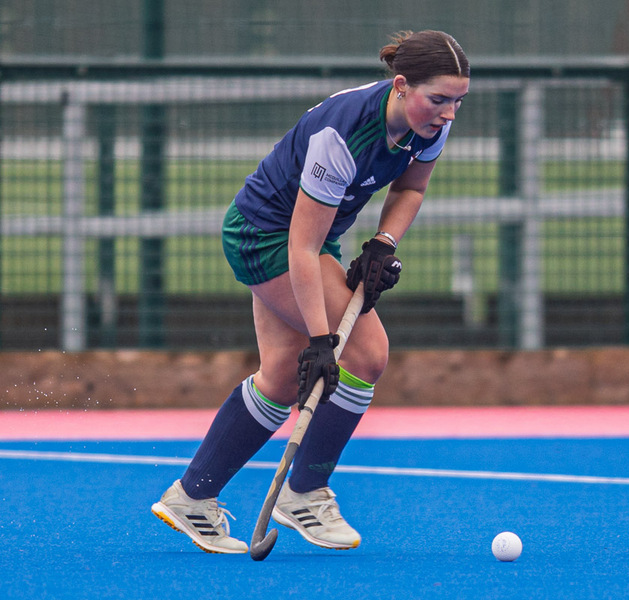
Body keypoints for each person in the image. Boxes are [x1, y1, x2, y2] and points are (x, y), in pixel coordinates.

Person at [151, 30, 470, 554]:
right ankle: (303, 493)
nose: (449, 113)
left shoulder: (429, 123)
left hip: (312, 238)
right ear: (401, 85)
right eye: (439, 99)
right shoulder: (340, 136)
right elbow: (299, 248)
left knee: (281, 376)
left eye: (458, 101)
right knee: (365, 353)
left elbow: (411, 187)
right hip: (267, 236)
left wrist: (383, 243)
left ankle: (192, 497)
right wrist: (323, 341)